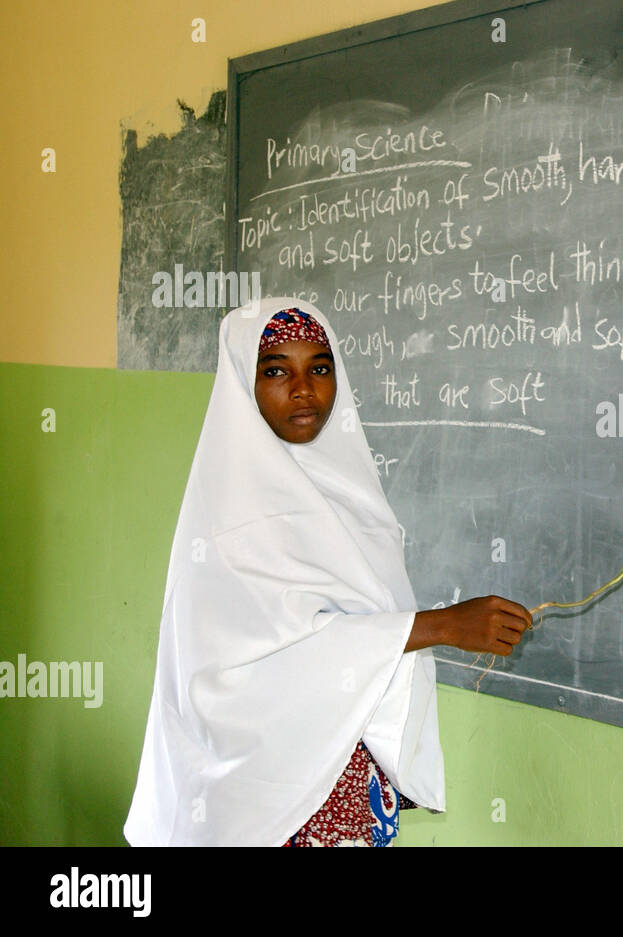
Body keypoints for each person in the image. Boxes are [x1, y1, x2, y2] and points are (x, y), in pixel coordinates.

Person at [124, 297, 531, 846]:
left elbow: (356, 626)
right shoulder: (229, 512)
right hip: (265, 803)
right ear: (244, 383)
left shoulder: (352, 494)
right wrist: (441, 626)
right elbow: (264, 659)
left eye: (319, 367)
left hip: (347, 776)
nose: (302, 388)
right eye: (275, 370)